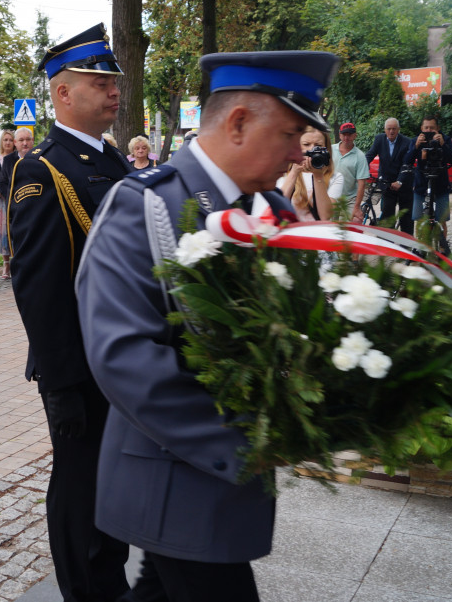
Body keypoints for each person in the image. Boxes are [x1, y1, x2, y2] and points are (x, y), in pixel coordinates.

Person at [77, 49, 340, 602]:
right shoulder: (146, 205)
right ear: (240, 122)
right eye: (292, 132)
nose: (300, 152)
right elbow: (123, 355)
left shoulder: (271, 208)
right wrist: (250, 443)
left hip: (221, 483)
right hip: (177, 475)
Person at [6, 23, 132, 602]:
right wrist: (59, 383)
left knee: (116, 487)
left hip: (125, 362)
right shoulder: (43, 170)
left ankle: (108, 581)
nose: (114, 92)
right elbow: (38, 287)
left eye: (114, 82)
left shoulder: (115, 164)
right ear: (62, 93)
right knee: (81, 490)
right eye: (99, 81)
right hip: (80, 367)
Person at [406, 115, 452, 253]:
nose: (429, 130)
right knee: (418, 218)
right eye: (426, 128)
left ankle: (442, 248)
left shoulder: (445, 139)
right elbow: (407, 161)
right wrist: (416, 146)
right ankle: (422, 247)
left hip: (440, 184)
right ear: (421, 129)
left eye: (432, 128)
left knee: (441, 219)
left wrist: (442, 145)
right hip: (421, 184)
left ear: (438, 128)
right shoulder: (416, 140)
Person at [278, 127, 344, 221]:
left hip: (316, 234)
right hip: (290, 233)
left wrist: (318, 176)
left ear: (326, 149)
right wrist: (294, 172)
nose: (312, 149)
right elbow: (276, 208)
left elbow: (325, 216)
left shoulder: (335, 177)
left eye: (318, 145)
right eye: (306, 144)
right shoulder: (282, 173)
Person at [364, 118, 415, 234]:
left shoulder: (407, 142)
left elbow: (406, 164)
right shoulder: (379, 139)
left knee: (406, 214)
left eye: (394, 129)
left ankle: (406, 243)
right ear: (385, 130)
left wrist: (400, 181)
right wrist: (363, 168)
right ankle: (387, 242)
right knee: (387, 213)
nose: (391, 131)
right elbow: (369, 155)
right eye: (389, 129)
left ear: (398, 129)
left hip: (403, 183)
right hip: (387, 182)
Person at [330, 122, 369, 221]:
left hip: (349, 199)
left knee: (354, 223)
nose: (346, 138)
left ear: (355, 135)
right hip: (330, 195)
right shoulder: (330, 149)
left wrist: (356, 207)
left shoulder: (359, 156)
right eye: (344, 134)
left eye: (349, 134)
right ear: (339, 135)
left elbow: (361, 184)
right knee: (328, 228)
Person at [0, 129, 16, 279]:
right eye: (5, 140)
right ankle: (5, 264)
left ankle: (16, 262)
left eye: (10, 140)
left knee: (13, 230)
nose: (7, 142)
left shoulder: (17, 158)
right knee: (1, 232)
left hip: (13, 199)